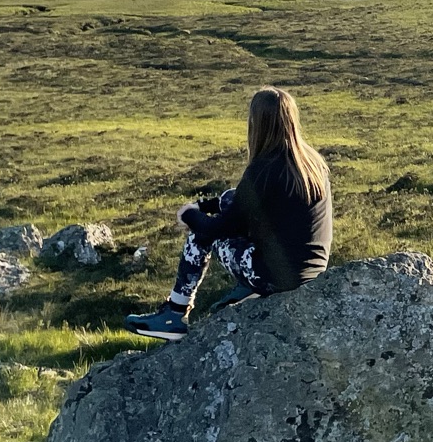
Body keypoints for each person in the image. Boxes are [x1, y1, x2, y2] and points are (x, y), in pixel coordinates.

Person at [126, 86, 333, 341]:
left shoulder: (263, 169)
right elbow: (242, 203)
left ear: (258, 124)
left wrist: (189, 215)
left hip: (277, 277)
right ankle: (247, 289)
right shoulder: (312, 163)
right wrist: (208, 205)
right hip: (312, 270)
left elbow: (216, 230)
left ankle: (174, 315)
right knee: (228, 198)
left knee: (199, 237)